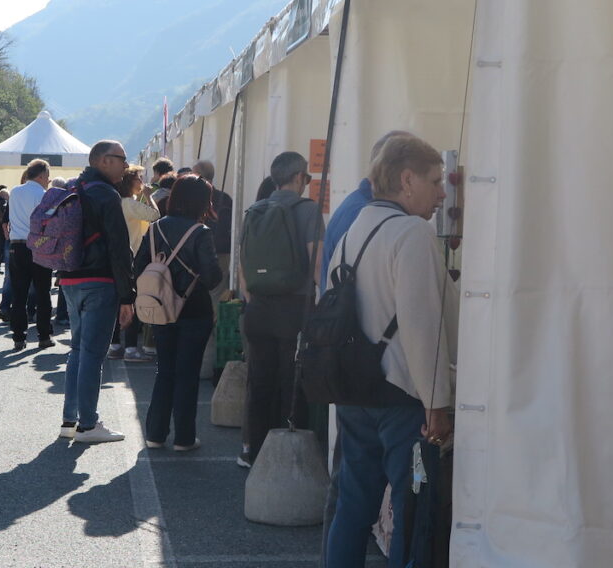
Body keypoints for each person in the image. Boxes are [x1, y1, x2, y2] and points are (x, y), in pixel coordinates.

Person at [324, 135, 454, 568]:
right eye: (435, 181)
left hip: (353, 392)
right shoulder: (412, 232)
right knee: (411, 512)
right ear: (407, 179)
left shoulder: (354, 227)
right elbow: (423, 328)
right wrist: (438, 405)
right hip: (401, 398)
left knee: (353, 507)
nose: (442, 194)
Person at [318, 130, 414, 566]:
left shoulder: (349, 213)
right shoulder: (386, 221)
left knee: (351, 494)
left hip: (347, 368)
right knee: (401, 500)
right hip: (382, 377)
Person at [239, 151, 323, 467]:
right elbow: (317, 264)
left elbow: (244, 266)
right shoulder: (307, 210)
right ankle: (287, 459)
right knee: (292, 384)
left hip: (258, 309)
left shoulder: (255, 210)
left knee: (260, 381)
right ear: (299, 177)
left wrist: (251, 300)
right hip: (294, 308)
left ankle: (255, 453)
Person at [135, 175, 223, 451]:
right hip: (194, 309)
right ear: (201, 201)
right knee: (187, 373)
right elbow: (212, 278)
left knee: (165, 371)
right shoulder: (201, 232)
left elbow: (138, 267)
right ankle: (184, 437)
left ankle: (155, 433)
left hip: (160, 308)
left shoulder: (155, 228)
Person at [58, 140, 135, 443]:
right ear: (103, 161)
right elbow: (119, 247)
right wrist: (127, 295)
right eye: (121, 159)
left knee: (77, 350)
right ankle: (89, 425)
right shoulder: (105, 193)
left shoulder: (75, 187)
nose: (125, 165)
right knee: (92, 353)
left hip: (69, 278)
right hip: (99, 281)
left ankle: (70, 420)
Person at [109, 165, 161, 362]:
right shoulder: (129, 204)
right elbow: (155, 216)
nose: (142, 182)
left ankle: (114, 344)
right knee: (132, 301)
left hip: (116, 256)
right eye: (139, 178)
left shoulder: (116, 202)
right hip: (134, 257)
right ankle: (130, 348)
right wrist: (149, 196)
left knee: (118, 302)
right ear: (130, 182)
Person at [8, 159, 53, 351]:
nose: (48, 181)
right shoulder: (43, 195)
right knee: (43, 292)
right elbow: (49, 222)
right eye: (47, 177)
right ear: (42, 175)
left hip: (17, 245)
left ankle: (19, 336)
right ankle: (44, 336)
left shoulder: (15, 191)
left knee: (19, 294)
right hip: (38, 245)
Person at [192, 160, 233, 288]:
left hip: (200, 251)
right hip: (222, 251)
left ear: (198, 175)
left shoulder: (194, 197)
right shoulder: (225, 197)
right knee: (218, 291)